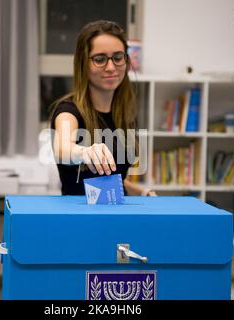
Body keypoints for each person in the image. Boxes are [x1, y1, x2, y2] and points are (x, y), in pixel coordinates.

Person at [50, 20, 156, 197]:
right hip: (80, 220)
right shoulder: (68, 112)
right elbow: (62, 149)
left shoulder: (122, 114)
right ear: (83, 63)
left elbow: (112, 180)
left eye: (118, 57)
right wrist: (84, 152)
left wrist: (142, 191)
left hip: (117, 217)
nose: (111, 67)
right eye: (99, 59)